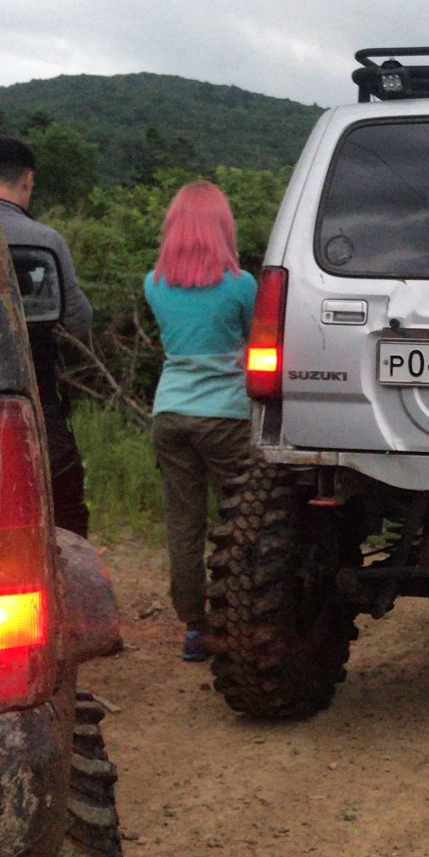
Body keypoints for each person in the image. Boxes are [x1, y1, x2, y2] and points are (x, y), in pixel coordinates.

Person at [144, 181, 258, 661]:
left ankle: (194, 628)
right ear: (222, 227)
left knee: (184, 524)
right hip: (227, 417)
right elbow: (257, 343)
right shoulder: (243, 286)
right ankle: (240, 619)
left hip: (169, 414)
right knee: (241, 524)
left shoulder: (153, 285)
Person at [0, 136, 95, 536]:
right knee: (64, 498)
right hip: (35, 392)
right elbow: (79, 318)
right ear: (27, 181)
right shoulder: (45, 240)